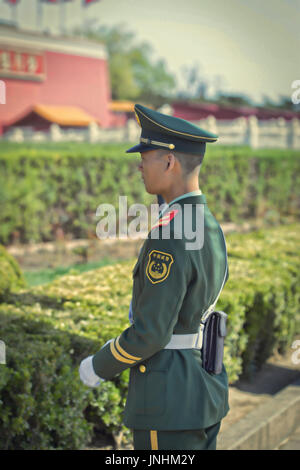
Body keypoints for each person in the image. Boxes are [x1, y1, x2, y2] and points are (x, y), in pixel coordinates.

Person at [79, 104, 229, 450]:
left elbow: (151, 333)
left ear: (169, 162)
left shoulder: (172, 232)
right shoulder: (209, 224)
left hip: (167, 400)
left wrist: (96, 366)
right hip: (204, 388)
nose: (139, 166)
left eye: (145, 156)